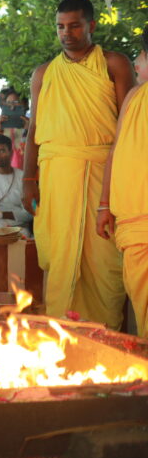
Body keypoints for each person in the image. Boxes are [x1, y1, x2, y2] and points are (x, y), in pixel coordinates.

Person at [23, 0, 133, 330]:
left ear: (91, 26)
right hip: (56, 179)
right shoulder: (44, 73)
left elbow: (127, 127)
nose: (66, 33)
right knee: (59, 260)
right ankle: (60, 336)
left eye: (74, 25)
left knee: (104, 266)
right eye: (60, 27)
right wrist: (29, 179)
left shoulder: (113, 64)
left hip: (103, 177)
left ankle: (107, 340)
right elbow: (35, 130)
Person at [98, 27, 148, 337]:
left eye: (141, 56)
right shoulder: (133, 98)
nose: (137, 62)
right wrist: (104, 204)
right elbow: (117, 151)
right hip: (134, 225)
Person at [0, 87, 29, 170]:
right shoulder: (0, 127)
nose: (12, 107)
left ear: (24, 104)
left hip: (26, 171)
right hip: (5, 172)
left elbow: (29, 150)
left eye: (16, 102)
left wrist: (27, 130)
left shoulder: (31, 125)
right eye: (8, 103)